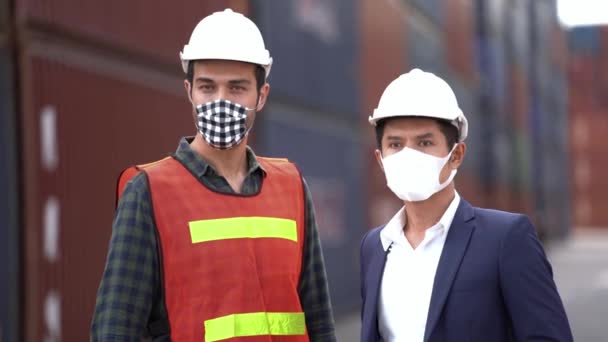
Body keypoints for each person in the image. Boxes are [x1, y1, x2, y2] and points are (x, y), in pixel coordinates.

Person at [91, 9, 336, 341]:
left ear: (261, 96)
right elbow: (115, 330)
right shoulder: (148, 193)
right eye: (208, 87)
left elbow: (319, 319)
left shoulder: (292, 188)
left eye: (236, 89)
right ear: (190, 91)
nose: (220, 101)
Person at [359, 68, 573, 342]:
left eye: (424, 142)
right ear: (380, 158)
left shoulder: (505, 238)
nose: (408, 154)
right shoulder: (373, 246)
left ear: (456, 154)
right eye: (396, 144)